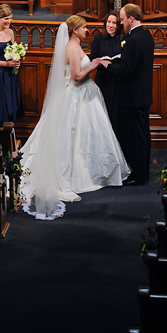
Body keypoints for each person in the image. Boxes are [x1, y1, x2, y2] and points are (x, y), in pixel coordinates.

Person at [20, 15, 129, 220]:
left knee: (89, 134)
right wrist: (94, 65)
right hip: (78, 95)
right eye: (84, 28)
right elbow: (77, 77)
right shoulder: (71, 47)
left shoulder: (76, 44)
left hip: (86, 93)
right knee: (75, 134)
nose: (87, 30)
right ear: (74, 30)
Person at [100, 3, 155, 186]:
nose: (121, 23)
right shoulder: (146, 36)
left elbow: (127, 69)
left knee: (136, 137)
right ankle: (142, 172)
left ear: (131, 19)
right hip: (143, 94)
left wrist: (109, 66)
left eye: (122, 19)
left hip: (132, 97)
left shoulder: (133, 39)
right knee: (143, 135)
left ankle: (138, 175)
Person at [89, 11, 122, 133]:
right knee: (103, 110)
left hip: (117, 80)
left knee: (116, 112)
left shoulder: (123, 38)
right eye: (109, 22)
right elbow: (92, 57)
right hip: (103, 79)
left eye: (114, 23)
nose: (111, 25)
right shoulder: (99, 38)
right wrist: (102, 61)